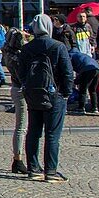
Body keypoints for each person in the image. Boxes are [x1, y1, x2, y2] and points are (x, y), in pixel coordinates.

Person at [18, 14, 74, 182]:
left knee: (33, 132)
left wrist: (27, 86)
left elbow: (20, 71)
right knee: (52, 135)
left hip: (33, 93)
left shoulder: (27, 48)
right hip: (54, 94)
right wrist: (66, 93)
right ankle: (51, 171)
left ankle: (33, 168)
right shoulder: (57, 46)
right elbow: (67, 72)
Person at [1, 26, 29, 174]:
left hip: (16, 87)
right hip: (21, 89)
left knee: (22, 126)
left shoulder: (8, 52)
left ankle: (19, 158)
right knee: (21, 127)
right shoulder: (17, 57)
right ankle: (18, 159)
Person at [68, 49, 99, 115]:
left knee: (83, 89)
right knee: (93, 90)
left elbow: (69, 68)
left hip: (87, 69)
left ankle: (81, 108)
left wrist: (75, 81)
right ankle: (95, 108)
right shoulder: (81, 55)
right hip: (97, 68)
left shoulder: (70, 55)